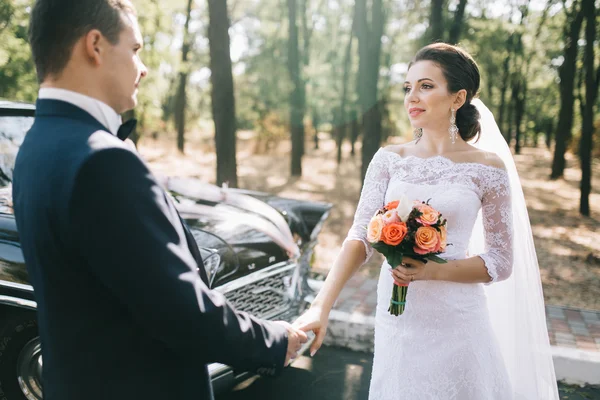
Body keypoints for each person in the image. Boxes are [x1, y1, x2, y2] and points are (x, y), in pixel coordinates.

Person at [12, 1, 307, 399]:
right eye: (135, 50)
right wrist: (273, 341)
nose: (143, 67)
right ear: (94, 46)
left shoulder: (33, 146)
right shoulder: (102, 160)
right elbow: (179, 310)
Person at [294, 43, 559, 399]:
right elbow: (360, 237)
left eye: (426, 86)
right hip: (399, 322)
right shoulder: (389, 159)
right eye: (408, 87)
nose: (412, 97)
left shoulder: (488, 168)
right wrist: (319, 306)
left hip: (460, 321)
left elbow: (500, 261)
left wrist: (432, 270)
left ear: (457, 97)